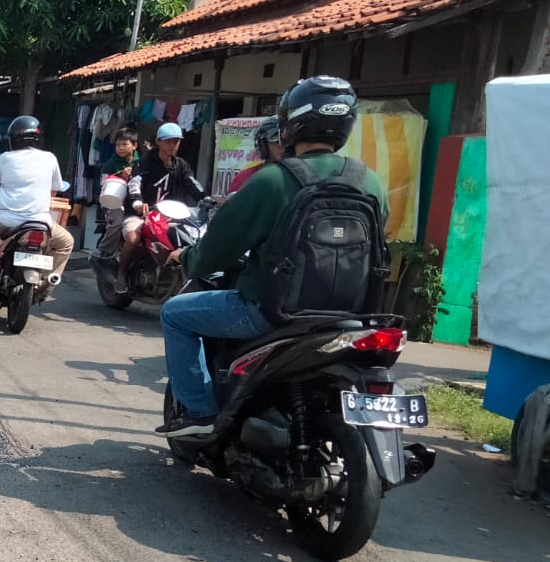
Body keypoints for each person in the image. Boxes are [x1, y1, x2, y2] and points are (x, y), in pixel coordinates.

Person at [157, 76, 387, 437]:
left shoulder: (273, 180)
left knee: (174, 314)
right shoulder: (370, 182)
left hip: (271, 313)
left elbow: (216, 251)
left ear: (291, 123)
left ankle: (200, 413)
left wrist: (187, 258)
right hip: (350, 317)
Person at [0, 115, 74, 292]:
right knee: (67, 243)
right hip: (42, 223)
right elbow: (56, 188)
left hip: (7, 222)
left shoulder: (5, 158)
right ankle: (45, 280)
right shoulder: (50, 158)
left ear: (13, 138)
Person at [118, 121, 201, 292]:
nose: (173, 145)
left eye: (176, 141)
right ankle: (122, 275)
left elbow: (193, 184)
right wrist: (138, 203)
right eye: (169, 141)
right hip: (140, 214)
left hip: (169, 215)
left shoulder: (181, 165)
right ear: (158, 141)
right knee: (133, 238)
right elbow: (134, 185)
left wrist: (207, 198)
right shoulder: (143, 163)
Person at [225, 119, 284, 196]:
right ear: (263, 146)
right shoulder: (246, 177)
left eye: (286, 142)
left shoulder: (297, 175)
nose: (282, 147)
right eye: (276, 142)